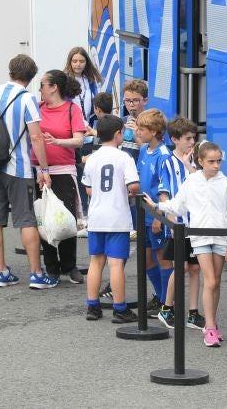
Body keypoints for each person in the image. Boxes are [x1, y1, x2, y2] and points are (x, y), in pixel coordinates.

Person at [151, 140, 227, 348]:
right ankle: (209, 327)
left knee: (215, 281)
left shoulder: (226, 183)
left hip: (220, 237)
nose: (216, 165)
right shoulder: (191, 182)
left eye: (218, 161)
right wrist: (156, 205)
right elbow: (178, 206)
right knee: (210, 280)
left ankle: (212, 323)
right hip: (199, 238)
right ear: (200, 161)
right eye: (211, 161)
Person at [0, 54, 55, 290]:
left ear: (10, 71)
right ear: (31, 77)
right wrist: (43, 168)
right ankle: (36, 273)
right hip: (18, 166)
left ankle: (1, 272)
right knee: (26, 220)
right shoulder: (27, 99)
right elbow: (35, 136)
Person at [82, 114, 139, 323]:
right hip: (117, 216)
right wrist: (129, 192)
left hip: (96, 216)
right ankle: (120, 308)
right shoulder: (124, 157)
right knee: (116, 264)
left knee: (96, 261)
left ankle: (92, 306)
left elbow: (88, 189)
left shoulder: (93, 158)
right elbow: (133, 186)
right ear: (118, 134)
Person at [34, 69, 87, 284]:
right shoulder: (37, 108)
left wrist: (57, 142)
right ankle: (51, 267)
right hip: (39, 170)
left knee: (66, 219)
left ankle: (69, 265)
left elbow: (79, 141)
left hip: (64, 170)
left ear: (54, 87)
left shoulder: (72, 110)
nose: (40, 89)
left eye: (43, 85)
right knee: (44, 220)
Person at [156, 116, 204, 330]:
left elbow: (203, 186)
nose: (191, 142)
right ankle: (167, 308)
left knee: (195, 268)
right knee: (181, 266)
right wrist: (172, 220)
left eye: (193, 138)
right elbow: (164, 195)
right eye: (187, 138)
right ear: (175, 139)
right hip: (179, 224)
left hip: (197, 223)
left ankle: (193, 313)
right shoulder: (167, 162)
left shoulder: (197, 161)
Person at [135, 108, 171, 308]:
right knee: (147, 259)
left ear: (155, 132)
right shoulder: (143, 150)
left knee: (162, 258)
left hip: (156, 216)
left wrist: (159, 216)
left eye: (142, 128)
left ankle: (168, 302)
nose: (138, 132)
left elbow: (165, 189)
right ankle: (161, 296)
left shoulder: (164, 155)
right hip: (143, 214)